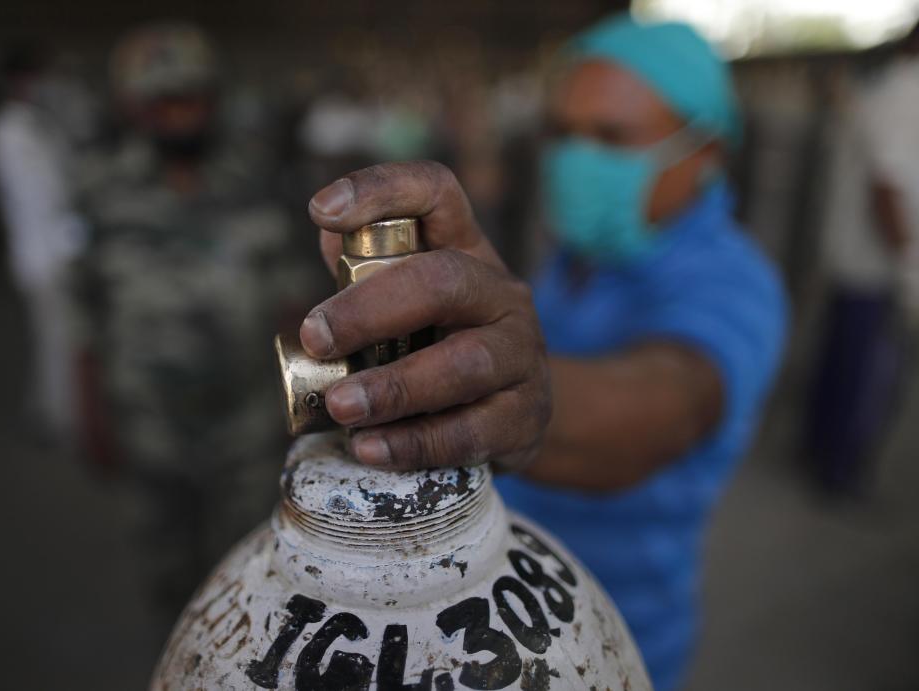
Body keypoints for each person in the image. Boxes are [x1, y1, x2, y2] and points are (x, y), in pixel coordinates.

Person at [297, 15, 787, 691]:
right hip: (500, 616)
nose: (579, 158)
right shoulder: (576, 259)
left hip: (611, 637)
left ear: (704, 150)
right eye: (564, 133)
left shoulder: (735, 280)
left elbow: (672, 401)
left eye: (612, 138)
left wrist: (526, 394)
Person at [74, 23, 322, 629]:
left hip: (247, 426)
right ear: (135, 107)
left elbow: (300, 314)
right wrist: (90, 412)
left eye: (191, 97)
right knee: (170, 586)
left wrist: (312, 421)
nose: (179, 115)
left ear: (214, 99)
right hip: (149, 425)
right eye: (163, 101)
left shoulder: (259, 184)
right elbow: (86, 313)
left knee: (256, 582)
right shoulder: (101, 190)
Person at [807, 22, 919, 495]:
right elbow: (886, 188)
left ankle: (823, 455)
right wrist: (909, 264)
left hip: (858, 259)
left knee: (844, 364)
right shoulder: (904, 95)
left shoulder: (890, 90)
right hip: (872, 265)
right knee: (862, 375)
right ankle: (839, 472)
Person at [0, 43, 90, 442]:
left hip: (49, 246)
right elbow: (44, 195)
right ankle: (58, 419)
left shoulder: (29, 122)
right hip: (45, 252)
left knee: (54, 339)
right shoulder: (12, 130)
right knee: (58, 340)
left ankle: (50, 409)